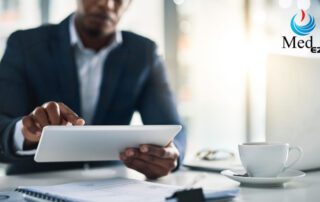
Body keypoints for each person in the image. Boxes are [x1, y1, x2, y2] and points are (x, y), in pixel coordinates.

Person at [0, 0, 186, 179]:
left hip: (110, 185)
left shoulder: (144, 53)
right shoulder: (24, 44)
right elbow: (2, 122)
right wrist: (25, 132)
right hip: (32, 181)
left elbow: (172, 128)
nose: (107, 4)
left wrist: (168, 156)